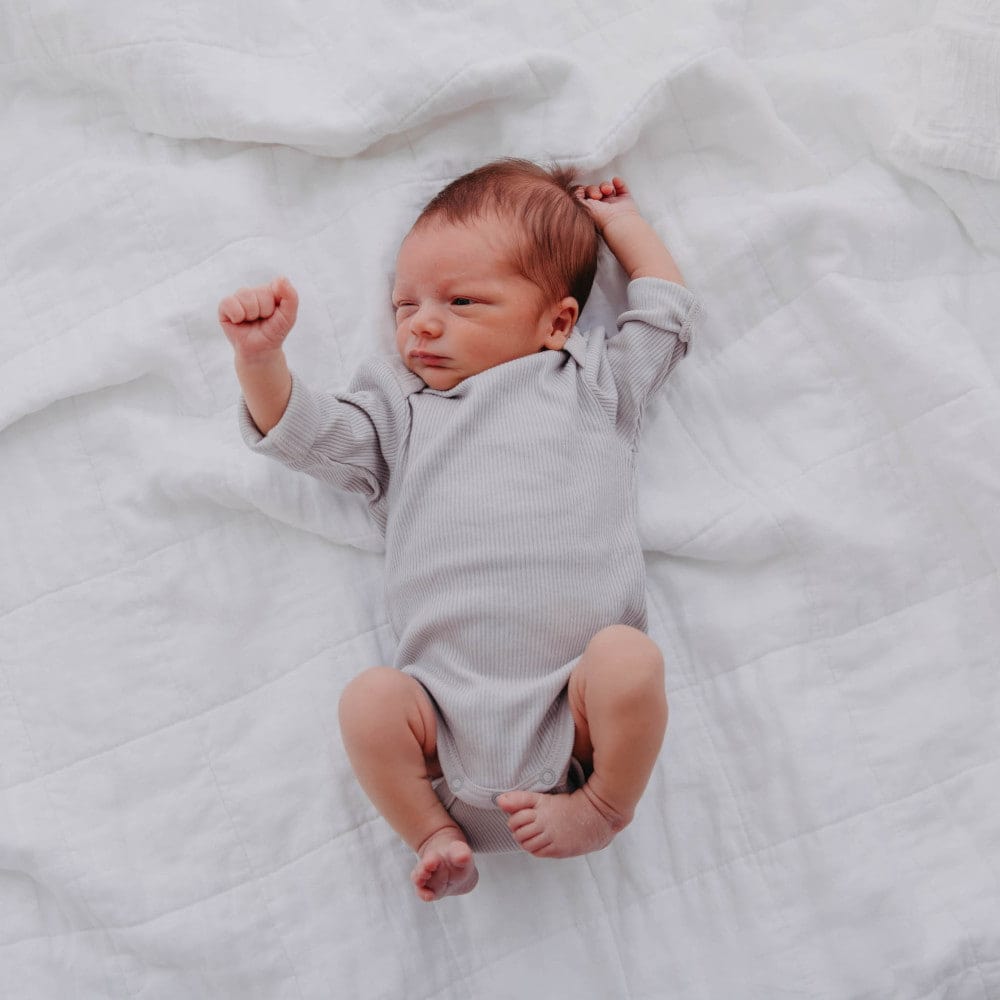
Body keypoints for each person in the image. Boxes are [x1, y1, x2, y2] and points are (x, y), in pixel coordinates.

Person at [218, 160, 700, 902]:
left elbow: (666, 313)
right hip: (441, 718)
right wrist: (260, 359)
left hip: (574, 705)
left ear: (558, 322)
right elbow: (305, 432)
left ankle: (604, 808)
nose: (421, 323)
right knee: (370, 701)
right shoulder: (401, 411)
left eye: (462, 301)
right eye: (404, 304)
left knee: (630, 660)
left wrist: (622, 225)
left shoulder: (595, 383)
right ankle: (432, 832)